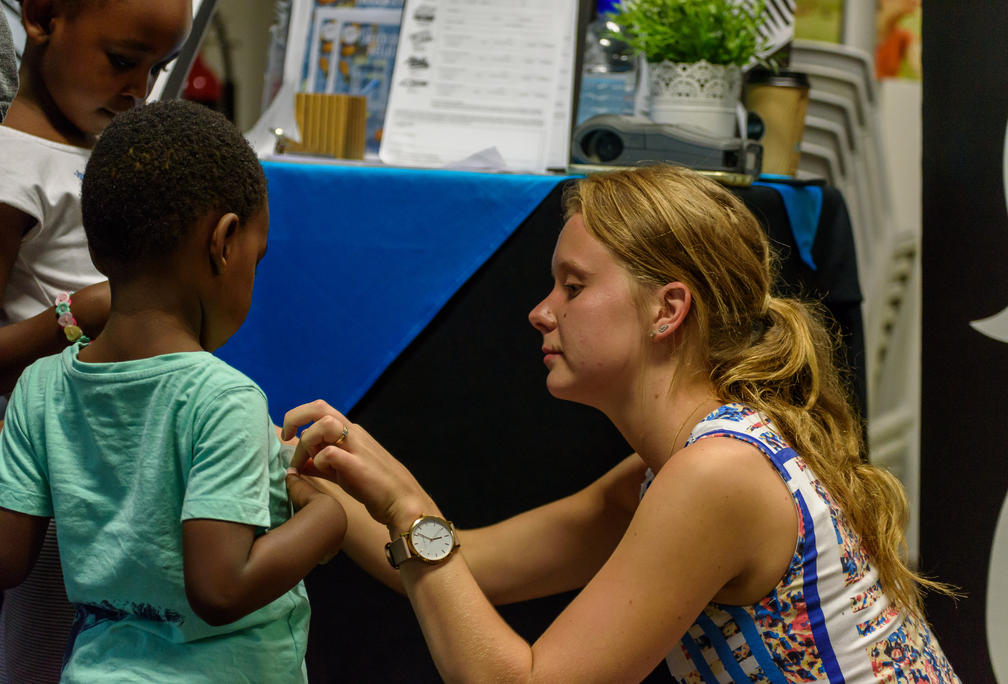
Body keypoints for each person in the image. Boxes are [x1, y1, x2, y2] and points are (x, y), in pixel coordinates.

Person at [286, 164, 959, 681]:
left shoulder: (716, 475)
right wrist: (326, 475)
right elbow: (472, 564)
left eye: (573, 287)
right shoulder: (681, 465)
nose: (540, 312)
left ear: (667, 310)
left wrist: (405, 507)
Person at [0, 99, 347, 682]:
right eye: (257, 259)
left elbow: (1, 558)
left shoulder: (40, 386)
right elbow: (222, 589)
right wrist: (328, 516)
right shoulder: (224, 400)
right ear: (224, 242)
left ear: (97, 246)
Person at [0, 1, 192, 680]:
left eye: (157, 69)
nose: (138, 90)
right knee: (48, 648)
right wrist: (76, 317)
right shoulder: (4, 165)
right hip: (56, 455)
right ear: (43, 17)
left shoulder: (107, 153)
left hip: (134, 439)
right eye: (123, 61)